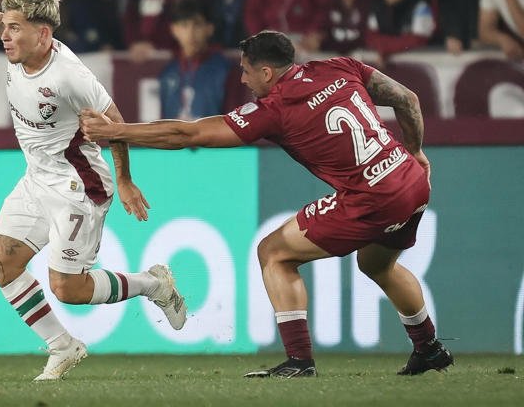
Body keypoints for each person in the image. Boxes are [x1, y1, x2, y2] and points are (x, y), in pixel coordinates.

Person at [80, 30, 454, 378]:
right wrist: (416, 150)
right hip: (411, 181)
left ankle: (299, 360)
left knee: (274, 253)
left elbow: (188, 133)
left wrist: (115, 131)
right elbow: (407, 99)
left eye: (246, 72)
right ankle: (430, 348)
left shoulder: (274, 109)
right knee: (377, 264)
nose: (242, 80)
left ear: (267, 72)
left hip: (370, 199)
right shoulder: (340, 66)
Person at [0, 0, 187, 381]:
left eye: (15, 28)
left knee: (69, 289)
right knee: (1, 264)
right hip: (36, 178)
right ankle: (62, 346)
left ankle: (153, 285)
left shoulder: (70, 77)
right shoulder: (22, 45)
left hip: (78, 187)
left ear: (43, 34)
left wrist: (124, 179)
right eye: (7, 27)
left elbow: (115, 123)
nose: (6, 35)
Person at [159, 0, 241, 119]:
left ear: (209, 29)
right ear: (174, 30)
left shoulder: (226, 71)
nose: (190, 33)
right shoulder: (167, 73)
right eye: (184, 25)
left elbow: (236, 127)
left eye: (197, 25)